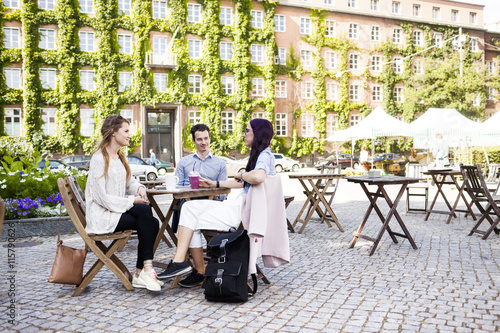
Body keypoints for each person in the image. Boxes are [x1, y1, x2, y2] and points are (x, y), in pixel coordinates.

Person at [157, 118, 276, 288]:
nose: (244, 134)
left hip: (241, 212)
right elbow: (246, 182)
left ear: (257, 134)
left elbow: (258, 177)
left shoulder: (264, 156)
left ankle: (191, 267)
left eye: (247, 130)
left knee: (190, 216)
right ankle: (183, 263)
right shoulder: (261, 155)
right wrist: (214, 184)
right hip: (242, 207)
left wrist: (242, 175)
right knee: (188, 208)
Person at [85, 114, 162, 292]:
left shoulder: (119, 157)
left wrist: (140, 189)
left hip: (115, 211)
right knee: (146, 215)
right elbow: (101, 197)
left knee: (150, 219)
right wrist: (131, 200)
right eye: (126, 131)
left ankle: (141, 273)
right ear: (113, 132)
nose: (129, 135)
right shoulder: (99, 159)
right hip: (102, 216)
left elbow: (130, 183)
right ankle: (143, 271)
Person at [171, 124, 227, 233]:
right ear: (193, 141)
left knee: (196, 214)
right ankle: (192, 247)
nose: (203, 142)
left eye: (206, 138)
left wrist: (214, 194)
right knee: (189, 210)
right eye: (199, 139)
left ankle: (209, 247)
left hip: (211, 203)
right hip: (188, 202)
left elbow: (224, 191)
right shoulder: (184, 162)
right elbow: (178, 187)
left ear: (210, 139)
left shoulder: (220, 163)